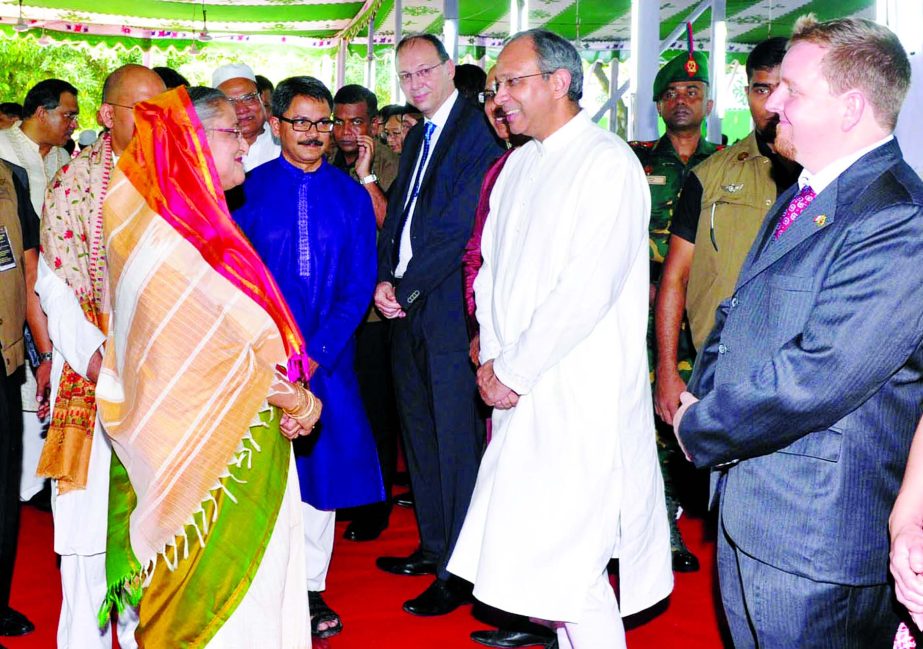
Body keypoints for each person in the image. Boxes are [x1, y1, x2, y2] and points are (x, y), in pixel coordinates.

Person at [673, 15, 923, 647]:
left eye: (792, 90)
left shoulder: (897, 217)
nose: (771, 101)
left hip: (815, 535)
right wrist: (697, 389)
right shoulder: (808, 187)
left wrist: (698, 424)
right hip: (756, 508)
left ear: (850, 108)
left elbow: (819, 374)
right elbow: (738, 314)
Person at [449, 29, 672, 649]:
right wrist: (494, 358)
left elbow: (585, 291)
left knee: (572, 574)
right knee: (538, 568)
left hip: (578, 395)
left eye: (512, 82)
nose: (499, 98)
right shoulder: (520, 163)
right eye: (495, 85)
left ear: (559, 82)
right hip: (520, 393)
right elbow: (491, 271)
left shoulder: (607, 162)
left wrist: (511, 371)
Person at [94, 85, 320, 648]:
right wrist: (298, 401)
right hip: (213, 458)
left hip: (225, 437)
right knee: (229, 612)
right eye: (232, 132)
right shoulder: (175, 241)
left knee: (257, 599)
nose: (247, 141)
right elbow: (219, 359)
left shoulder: (181, 225)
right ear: (191, 142)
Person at [233, 75, 385, 640]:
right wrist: (270, 351)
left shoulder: (350, 196)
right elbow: (233, 280)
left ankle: (310, 590)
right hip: (258, 361)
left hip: (329, 362)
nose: (315, 133)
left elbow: (358, 285)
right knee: (262, 476)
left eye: (323, 122)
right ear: (275, 125)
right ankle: (260, 583)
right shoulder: (245, 190)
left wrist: (315, 356)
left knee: (319, 482)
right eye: (301, 122)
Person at [34, 64, 165, 649]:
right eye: (143, 107)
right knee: (89, 536)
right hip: (89, 373)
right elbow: (53, 289)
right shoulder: (73, 182)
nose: (158, 119)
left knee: (151, 531)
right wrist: (96, 361)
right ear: (109, 116)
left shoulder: (180, 182)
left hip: (161, 378)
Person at [374, 32, 504, 617]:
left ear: (450, 69)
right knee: (420, 432)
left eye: (426, 71)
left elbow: (455, 229)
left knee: (455, 440)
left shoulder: (474, 132)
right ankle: (433, 545)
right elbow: (399, 221)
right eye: (406, 76)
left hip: (447, 307)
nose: (416, 83)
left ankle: (461, 569)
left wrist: (407, 287)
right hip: (408, 306)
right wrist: (384, 278)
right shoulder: (420, 136)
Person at [654, 36, 799, 425]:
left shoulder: (827, 174)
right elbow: (676, 277)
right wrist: (668, 370)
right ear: (747, 92)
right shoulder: (710, 176)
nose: (772, 103)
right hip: (716, 372)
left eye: (784, 87)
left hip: (801, 376)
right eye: (761, 89)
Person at [629, 42, 720, 573]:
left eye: (693, 91)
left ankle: (706, 522)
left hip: (709, 321)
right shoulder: (634, 161)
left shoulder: (732, 162)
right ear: (659, 106)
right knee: (649, 424)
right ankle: (662, 531)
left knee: (701, 421)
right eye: (672, 93)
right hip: (645, 319)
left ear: (708, 103)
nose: (682, 100)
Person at [0, 78, 77, 508]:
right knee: (22, 381)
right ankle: (24, 485)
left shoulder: (65, 158)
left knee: (51, 375)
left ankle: (42, 479)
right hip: (15, 283)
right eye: (67, 114)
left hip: (58, 284)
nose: (72, 123)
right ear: (41, 113)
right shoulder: (3, 153)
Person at [0, 160, 40, 644]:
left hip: (4, 358)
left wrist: (41, 353)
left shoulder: (11, 178)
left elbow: (29, 265)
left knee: (3, 494)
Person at [330, 84, 399, 227]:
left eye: (356, 122)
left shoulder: (390, 164)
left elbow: (389, 227)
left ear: (373, 125)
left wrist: (366, 177)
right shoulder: (326, 158)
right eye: (338, 122)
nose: (345, 131)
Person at [212, 63, 280, 171]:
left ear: (261, 98)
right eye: (230, 102)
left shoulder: (284, 142)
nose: (242, 109)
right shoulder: (210, 147)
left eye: (249, 98)